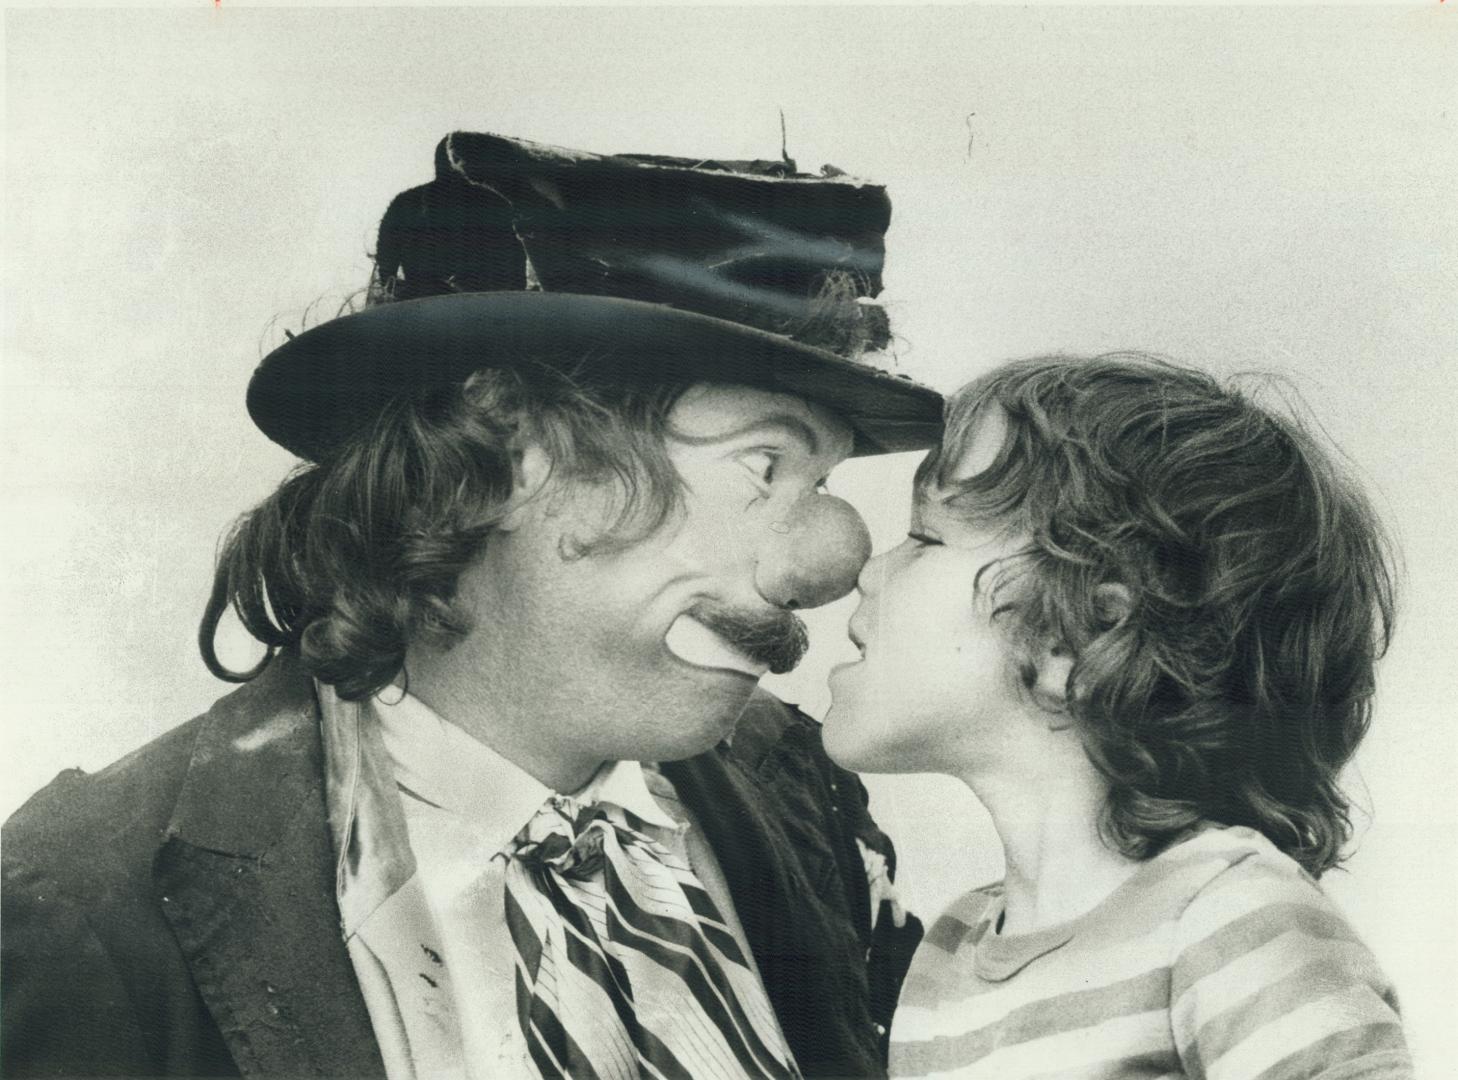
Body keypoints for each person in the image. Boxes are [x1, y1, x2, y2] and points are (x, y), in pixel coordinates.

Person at [1, 131, 936, 1079]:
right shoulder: (85, 914)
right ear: (513, 448)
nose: (828, 561)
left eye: (821, 480)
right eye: (764, 463)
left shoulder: (804, 789)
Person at [824, 353, 1414, 1078]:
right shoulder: (949, 948)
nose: (868, 569)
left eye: (923, 539)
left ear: (1078, 636)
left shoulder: (1230, 913)